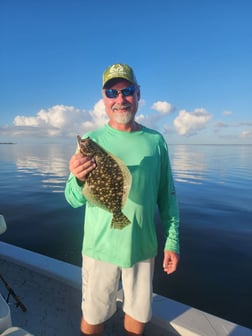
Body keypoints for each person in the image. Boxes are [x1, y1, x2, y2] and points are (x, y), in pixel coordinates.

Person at [64, 63, 180, 336]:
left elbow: (168, 196)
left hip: (142, 246)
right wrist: (78, 178)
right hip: (99, 248)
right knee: (93, 316)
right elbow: (71, 199)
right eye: (111, 93)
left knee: (138, 316)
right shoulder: (92, 140)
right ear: (103, 99)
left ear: (138, 94)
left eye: (127, 90)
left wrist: (172, 240)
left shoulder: (156, 141)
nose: (120, 99)